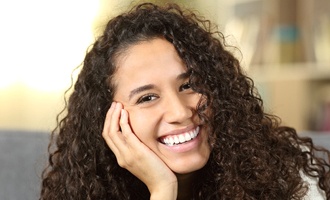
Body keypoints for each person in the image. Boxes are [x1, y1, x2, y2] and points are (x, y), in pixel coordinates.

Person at [40, 2, 330, 200]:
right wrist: (163, 189)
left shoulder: (287, 173)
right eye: (147, 97)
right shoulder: (85, 190)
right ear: (109, 121)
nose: (180, 111)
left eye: (189, 85)